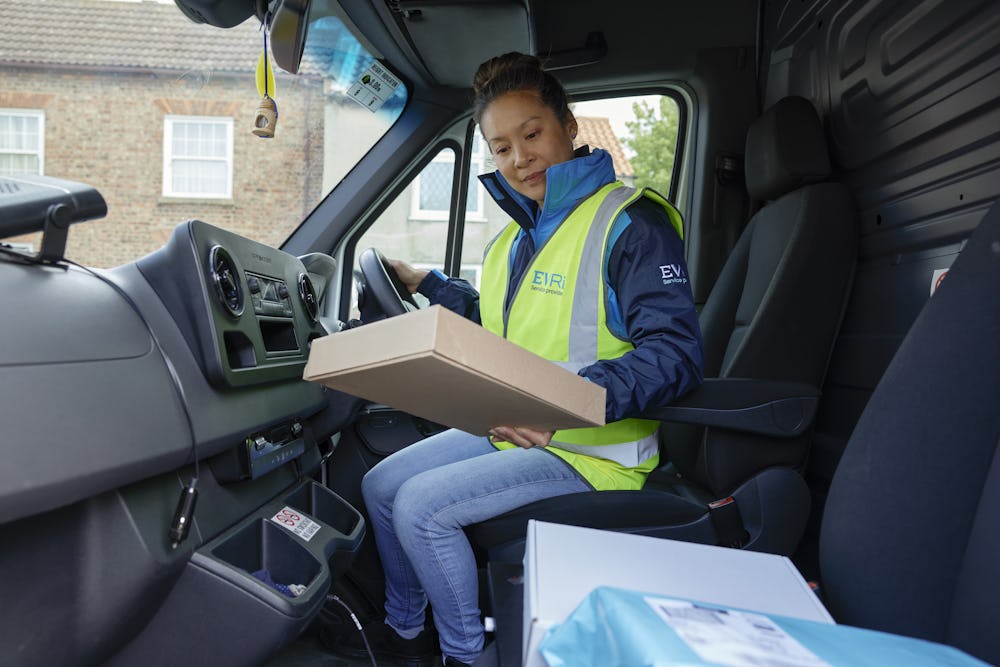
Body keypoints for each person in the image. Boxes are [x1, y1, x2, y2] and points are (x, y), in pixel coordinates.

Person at [333, 52, 704, 667]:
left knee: (425, 508)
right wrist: (426, 280)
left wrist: (563, 407)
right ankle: (405, 631)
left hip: (594, 450)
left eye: (532, 134)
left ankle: (463, 656)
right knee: (381, 483)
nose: (519, 158)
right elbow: (501, 324)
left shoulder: (629, 223)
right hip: (519, 428)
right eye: (501, 148)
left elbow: (675, 355)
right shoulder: (514, 237)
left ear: (569, 125)